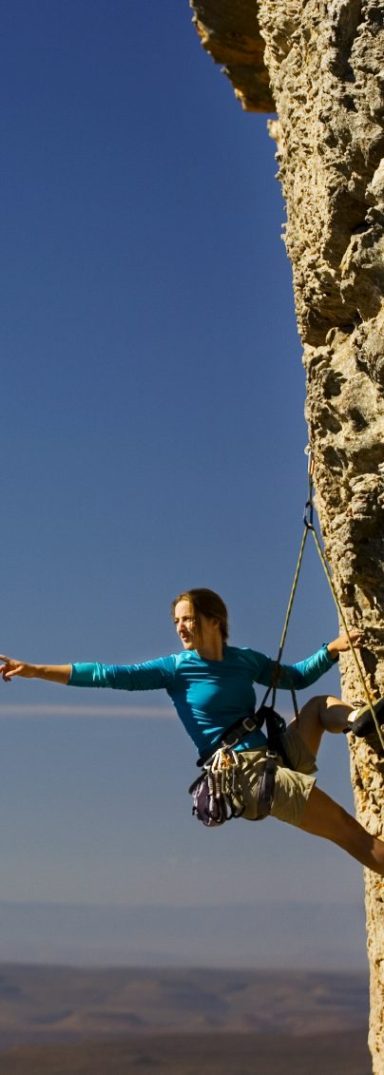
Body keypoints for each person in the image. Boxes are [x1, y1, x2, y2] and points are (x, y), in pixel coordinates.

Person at [1, 587, 384, 876]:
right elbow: (107, 675)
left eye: (188, 618)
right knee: (353, 836)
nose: (181, 627)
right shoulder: (176, 669)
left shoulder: (243, 659)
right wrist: (34, 670)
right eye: (177, 622)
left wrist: (331, 650)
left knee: (319, 706)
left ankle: (359, 724)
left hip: (272, 755)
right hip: (247, 776)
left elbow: (295, 678)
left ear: (215, 620)